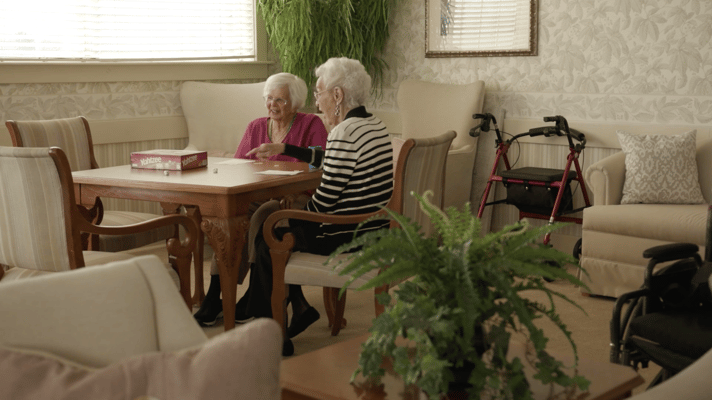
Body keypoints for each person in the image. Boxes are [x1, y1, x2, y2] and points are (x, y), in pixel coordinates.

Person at [238, 57, 394, 356]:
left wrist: (288, 216)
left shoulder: (343, 134)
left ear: (338, 96)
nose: (317, 101)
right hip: (373, 229)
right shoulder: (373, 126)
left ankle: (268, 332)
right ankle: (289, 311)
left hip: (343, 235)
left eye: (320, 92)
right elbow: (334, 161)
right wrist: (286, 149)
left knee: (267, 238)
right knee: (279, 230)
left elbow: (324, 203)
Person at [193, 72, 328, 327]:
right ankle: (214, 295)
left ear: (296, 102)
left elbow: (321, 163)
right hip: (259, 193)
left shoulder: (311, 124)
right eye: (269, 98)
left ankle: (255, 296)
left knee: (261, 216)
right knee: (230, 220)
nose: (273, 105)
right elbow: (237, 167)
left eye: (280, 100)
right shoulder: (256, 127)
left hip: (297, 196)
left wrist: (292, 182)